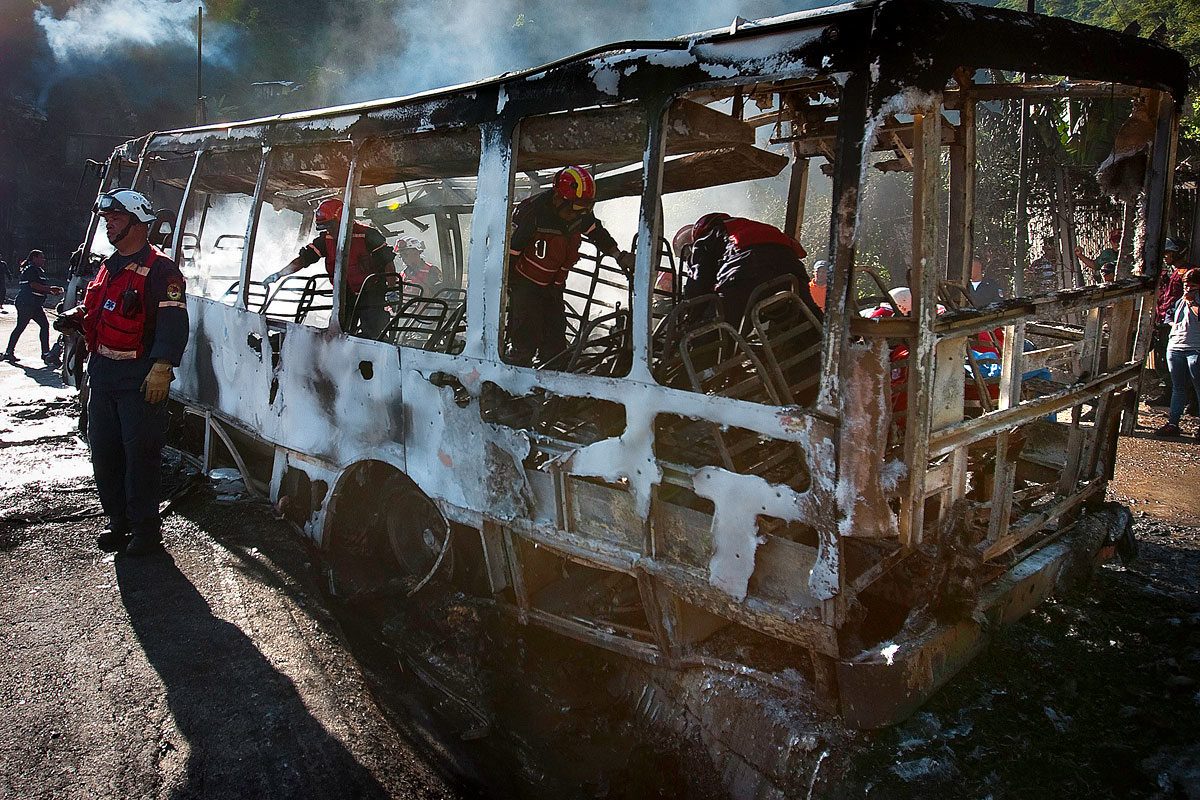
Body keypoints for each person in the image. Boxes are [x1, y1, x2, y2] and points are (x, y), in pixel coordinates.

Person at [54, 189, 189, 557]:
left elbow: (173, 322)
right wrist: (78, 317)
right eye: (107, 218)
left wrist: (162, 366)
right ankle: (119, 522)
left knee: (140, 457)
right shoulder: (108, 265)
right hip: (103, 372)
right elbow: (98, 307)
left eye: (115, 218)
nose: (108, 224)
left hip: (139, 378)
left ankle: (146, 532)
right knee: (105, 453)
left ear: (136, 222)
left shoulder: (162, 270)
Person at [505, 166, 634, 366]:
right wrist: (508, 289)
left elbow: (597, 232)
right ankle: (511, 384)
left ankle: (551, 388)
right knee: (525, 337)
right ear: (558, 198)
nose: (579, 214)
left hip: (553, 286)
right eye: (577, 207)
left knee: (556, 342)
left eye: (586, 207)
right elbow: (510, 253)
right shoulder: (533, 213)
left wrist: (618, 255)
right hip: (525, 285)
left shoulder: (578, 213)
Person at [261, 198, 396, 335]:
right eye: (325, 227)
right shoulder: (325, 240)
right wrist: (279, 274)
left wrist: (392, 290)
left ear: (344, 220)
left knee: (374, 332)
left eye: (331, 226)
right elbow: (304, 259)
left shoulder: (368, 235)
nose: (329, 231)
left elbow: (387, 262)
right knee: (340, 332)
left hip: (372, 294)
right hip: (345, 296)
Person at [682, 212, 818, 327]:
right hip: (792, 271)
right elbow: (798, 251)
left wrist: (690, 316)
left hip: (747, 271)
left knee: (714, 327)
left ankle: (702, 356)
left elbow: (699, 281)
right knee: (809, 320)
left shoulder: (707, 236)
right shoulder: (754, 226)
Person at [1154, 268, 1200, 438]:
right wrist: (1174, 325)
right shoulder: (1181, 300)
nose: (1188, 289)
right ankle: (1173, 423)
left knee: (1197, 387)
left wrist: (1193, 301)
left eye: (1193, 286)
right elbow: (1170, 315)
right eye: (1186, 285)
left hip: (1195, 347)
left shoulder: (1193, 299)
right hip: (1176, 346)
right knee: (1178, 387)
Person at [1150, 238, 1195, 406]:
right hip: (1164, 322)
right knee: (1163, 361)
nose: (1165, 256)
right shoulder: (1173, 273)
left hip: (1179, 325)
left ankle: (1189, 400)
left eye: (1168, 253)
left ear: (1177, 253)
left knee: (1183, 364)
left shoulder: (1187, 273)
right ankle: (1169, 394)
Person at [3, 250, 63, 363]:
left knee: (44, 325)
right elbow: (34, 285)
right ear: (34, 258)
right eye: (42, 257)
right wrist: (50, 289)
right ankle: (9, 352)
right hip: (26, 303)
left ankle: (45, 353)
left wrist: (50, 291)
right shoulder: (31, 269)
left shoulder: (38, 270)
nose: (44, 260)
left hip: (34, 304)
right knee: (21, 326)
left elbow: (40, 286)